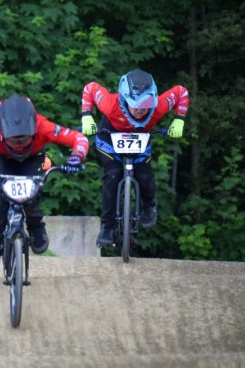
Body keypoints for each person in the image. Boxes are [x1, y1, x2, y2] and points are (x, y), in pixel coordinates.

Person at [0, 94, 88, 260]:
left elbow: (79, 138)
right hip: (3, 156)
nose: (19, 145)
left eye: (24, 138)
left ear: (34, 129)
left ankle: (36, 226)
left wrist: (76, 157)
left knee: (31, 190)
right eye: (14, 139)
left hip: (32, 156)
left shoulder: (42, 125)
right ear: (1, 130)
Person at [80, 69, 189, 247]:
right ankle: (107, 227)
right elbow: (90, 88)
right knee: (113, 175)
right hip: (109, 137)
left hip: (141, 139)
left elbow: (181, 92)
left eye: (146, 104)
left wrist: (179, 119)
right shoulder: (110, 104)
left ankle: (149, 204)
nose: (140, 110)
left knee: (144, 176)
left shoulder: (158, 107)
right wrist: (86, 116)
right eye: (135, 104)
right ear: (124, 99)